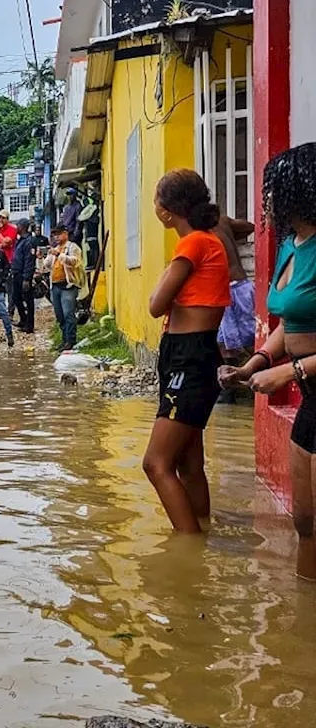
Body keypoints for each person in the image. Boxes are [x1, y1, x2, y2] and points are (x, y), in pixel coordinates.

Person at [220, 143, 316, 577]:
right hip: (310, 395)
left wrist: (289, 372)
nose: (269, 200)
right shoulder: (290, 246)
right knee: (305, 520)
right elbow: (288, 323)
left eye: (276, 190)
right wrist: (255, 363)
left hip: (305, 378)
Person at [142, 169, 231, 535]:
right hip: (198, 354)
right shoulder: (209, 242)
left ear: (166, 211)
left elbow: (156, 304)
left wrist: (165, 278)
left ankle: (189, 546)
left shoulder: (192, 245)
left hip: (187, 358)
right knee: (190, 463)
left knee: (156, 464)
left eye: (156, 200)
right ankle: (203, 539)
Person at [212, 211, 257, 397]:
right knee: (252, 339)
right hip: (243, 286)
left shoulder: (198, 227)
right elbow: (250, 227)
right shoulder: (221, 219)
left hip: (227, 289)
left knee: (227, 343)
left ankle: (230, 393)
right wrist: (229, 234)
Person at [45, 225, 85, 350]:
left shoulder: (73, 247)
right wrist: (44, 256)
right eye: (54, 235)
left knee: (68, 313)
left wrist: (59, 255)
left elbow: (75, 261)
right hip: (55, 285)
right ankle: (64, 339)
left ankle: (70, 340)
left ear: (66, 234)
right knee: (60, 315)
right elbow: (47, 265)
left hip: (68, 285)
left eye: (58, 234)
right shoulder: (55, 248)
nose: (56, 237)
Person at [10, 220, 38, 333]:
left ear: (22, 227)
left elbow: (29, 260)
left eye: (18, 225)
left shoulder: (29, 241)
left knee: (28, 300)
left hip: (24, 274)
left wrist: (27, 278)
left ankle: (29, 325)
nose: (16, 227)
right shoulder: (20, 240)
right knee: (16, 297)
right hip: (16, 273)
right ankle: (23, 319)